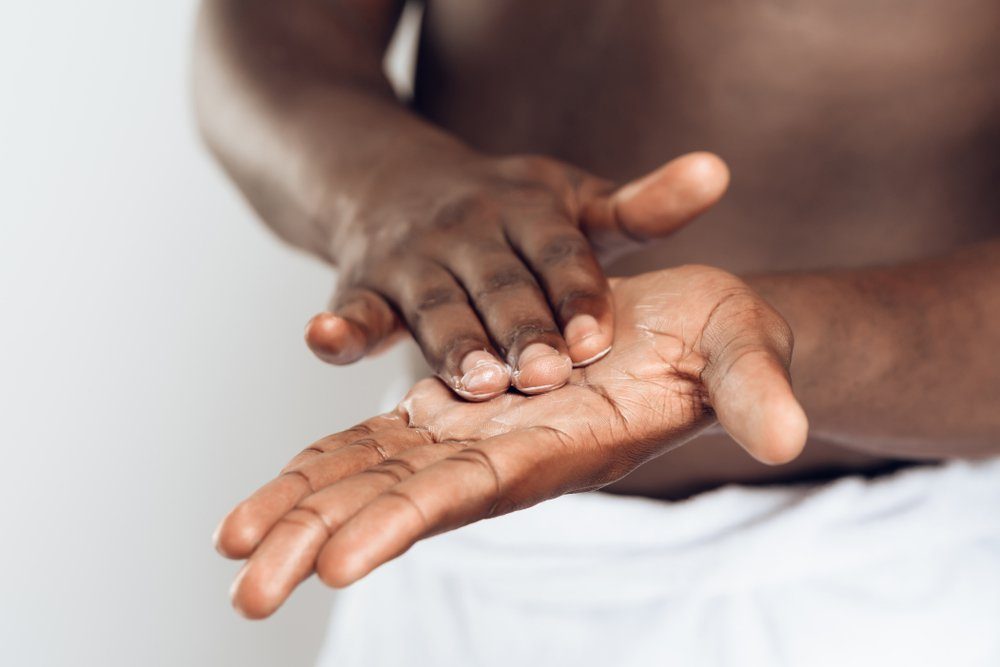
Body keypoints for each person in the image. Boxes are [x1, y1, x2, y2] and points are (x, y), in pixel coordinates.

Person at [194, 1, 1000, 664]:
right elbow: (278, 25)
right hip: (440, 534)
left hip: (878, 585)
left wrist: (761, 345)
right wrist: (377, 182)